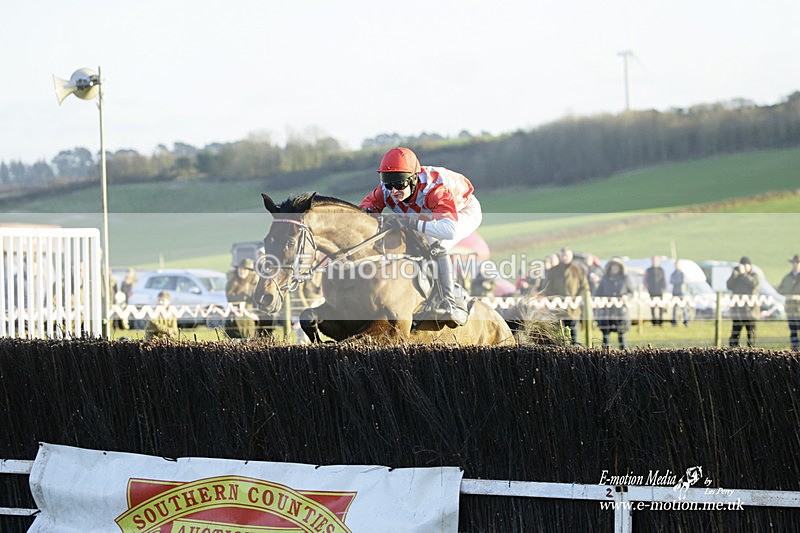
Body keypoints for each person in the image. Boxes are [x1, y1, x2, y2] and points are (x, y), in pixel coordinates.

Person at [360, 147, 481, 327]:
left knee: (434, 242)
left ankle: (451, 302)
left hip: (462, 212)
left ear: (413, 179)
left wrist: (411, 223)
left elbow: (449, 229)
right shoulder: (387, 190)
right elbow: (363, 211)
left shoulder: (434, 190)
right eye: (388, 183)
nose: (393, 190)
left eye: (400, 184)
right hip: (426, 214)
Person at [542, 247, 590, 345]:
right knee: (558, 333)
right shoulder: (553, 271)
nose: (565, 258)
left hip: (573, 307)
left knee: (574, 333)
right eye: (563, 255)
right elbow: (547, 286)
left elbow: (584, 286)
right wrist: (554, 297)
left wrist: (578, 298)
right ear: (560, 256)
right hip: (557, 308)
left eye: (566, 255)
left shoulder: (578, 270)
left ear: (571, 256)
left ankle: (575, 351)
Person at [595, 256, 635, 349]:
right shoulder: (605, 279)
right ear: (610, 267)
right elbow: (598, 293)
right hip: (607, 311)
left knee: (621, 336)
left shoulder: (625, 278)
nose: (615, 268)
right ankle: (605, 356)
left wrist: (626, 297)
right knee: (605, 337)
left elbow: (631, 293)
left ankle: (624, 356)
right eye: (613, 266)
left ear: (620, 267)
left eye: (617, 266)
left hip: (621, 311)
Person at [726, 256, 760, 347]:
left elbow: (753, 284)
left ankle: (752, 354)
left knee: (751, 335)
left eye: (745, 265)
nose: (743, 267)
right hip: (738, 311)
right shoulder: (737, 276)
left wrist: (744, 274)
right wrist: (734, 275)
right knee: (735, 335)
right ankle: (733, 354)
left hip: (750, 311)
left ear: (750, 266)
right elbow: (729, 285)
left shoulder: (754, 275)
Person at [225, 258, 260, 339]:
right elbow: (229, 298)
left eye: (245, 269)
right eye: (240, 269)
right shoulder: (232, 282)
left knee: (248, 341)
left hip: (248, 318)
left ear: (249, 271)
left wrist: (253, 313)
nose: (242, 271)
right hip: (233, 317)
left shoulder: (254, 283)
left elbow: (256, 300)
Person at [777, 254, 800, 351]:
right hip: (790, 308)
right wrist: (787, 295)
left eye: (797, 262)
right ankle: (795, 351)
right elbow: (780, 289)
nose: (795, 264)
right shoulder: (787, 277)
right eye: (794, 262)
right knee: (793, 330)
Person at [644, 256, 667, 326]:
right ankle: (654, 321)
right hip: (652, 291)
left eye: (656, 260)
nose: (655, 262)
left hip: (660, 291)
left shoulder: (661, 270)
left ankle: (661, 320)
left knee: (660, 306)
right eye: (653, 260)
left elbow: (664, 280)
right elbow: (645, 280)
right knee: (652, 306)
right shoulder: (648, 270)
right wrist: (647, 287)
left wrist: (664, 288)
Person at [670, 260, 690, 327]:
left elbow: (682, 281)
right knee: (674, 308)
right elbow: (671, 281)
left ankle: (686, 321)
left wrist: (676, 281)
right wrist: (676, 281)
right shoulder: (673, 274)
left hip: (682, 292)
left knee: (684, 307)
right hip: (675, 292)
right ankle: (674, 322)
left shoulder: (682, 273)